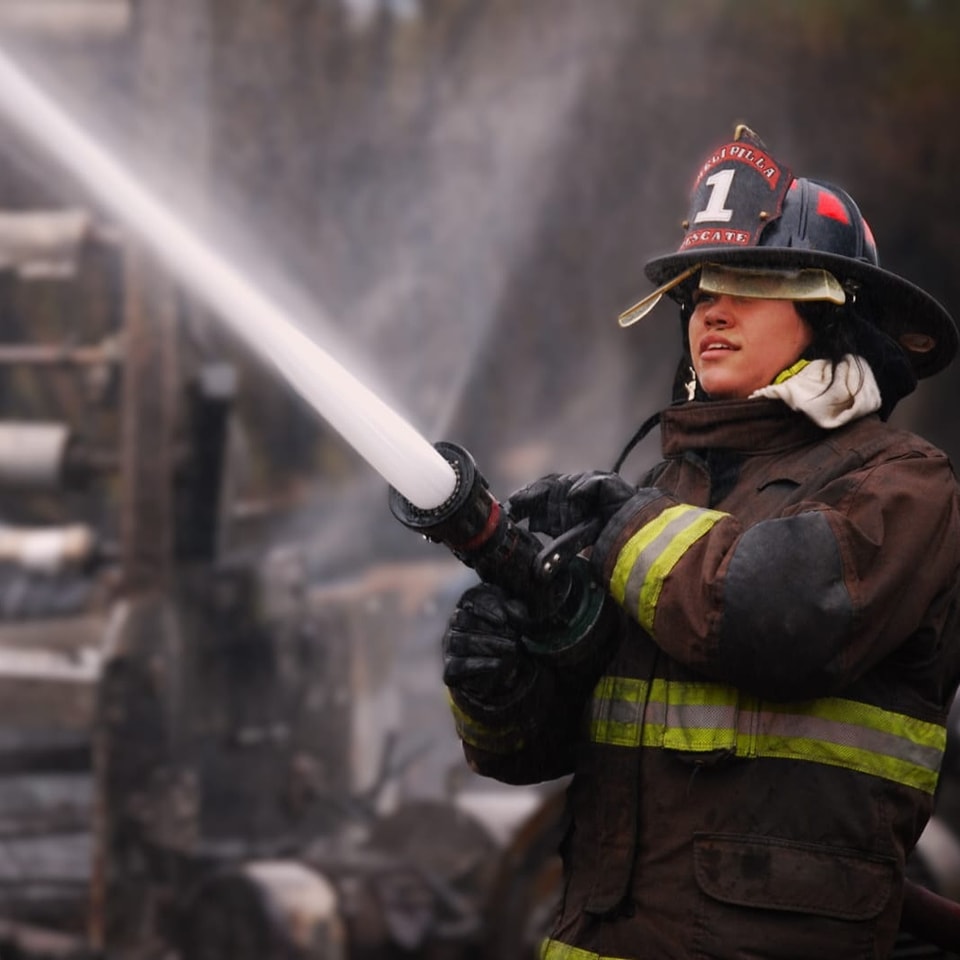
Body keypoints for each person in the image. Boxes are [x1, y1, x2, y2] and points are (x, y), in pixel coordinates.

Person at [440, 125, 960, 959]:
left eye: (752, 283)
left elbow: (778, 615)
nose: (712, 308)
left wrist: (618, 527)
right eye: (699, 289)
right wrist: (501, 680)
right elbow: (533, 754)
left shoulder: (903, 484)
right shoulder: (660, 496)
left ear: (834, 315)